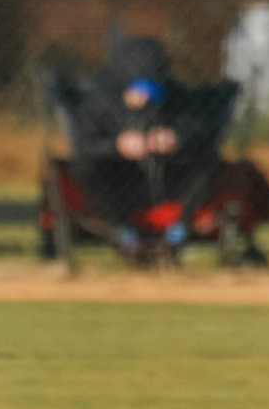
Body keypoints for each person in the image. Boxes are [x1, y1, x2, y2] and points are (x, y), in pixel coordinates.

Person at [68, 36, 222, 260]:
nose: (144, 98)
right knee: (83, 168)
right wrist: (118, 146)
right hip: (119, 183)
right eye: (137, 89)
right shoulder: (99, 101)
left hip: (169, 180)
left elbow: (201, 132)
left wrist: (176, 138)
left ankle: (177, 234)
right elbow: (83, 145)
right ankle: (125, 233)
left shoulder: (176, 97)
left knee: (208, 164)